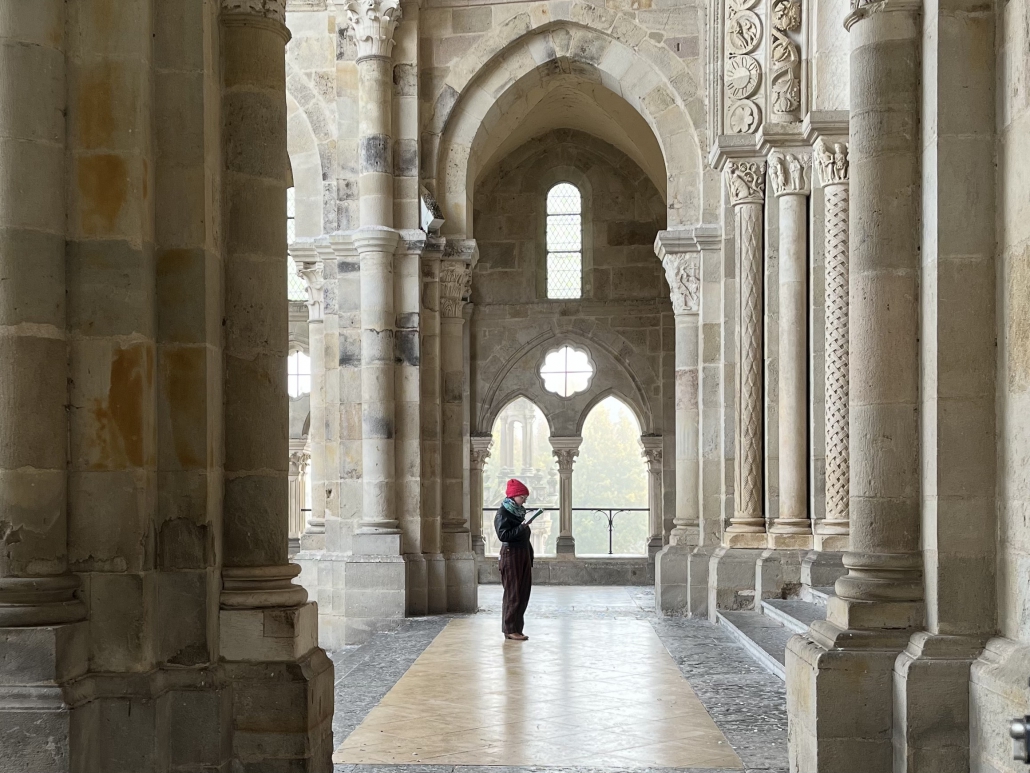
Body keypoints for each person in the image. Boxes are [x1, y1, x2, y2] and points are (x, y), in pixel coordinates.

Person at [494, 478, 534, 641]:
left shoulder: (518, 511)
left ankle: (517, 628)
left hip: (522, 553)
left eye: (525, 498)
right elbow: (503, 535)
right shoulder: (503, 512)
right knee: (513, 592)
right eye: (522, 497)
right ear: (513, 496)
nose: (524, 500)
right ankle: (510, 629)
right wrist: (522, 526)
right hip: (511, 554)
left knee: (523, 592)